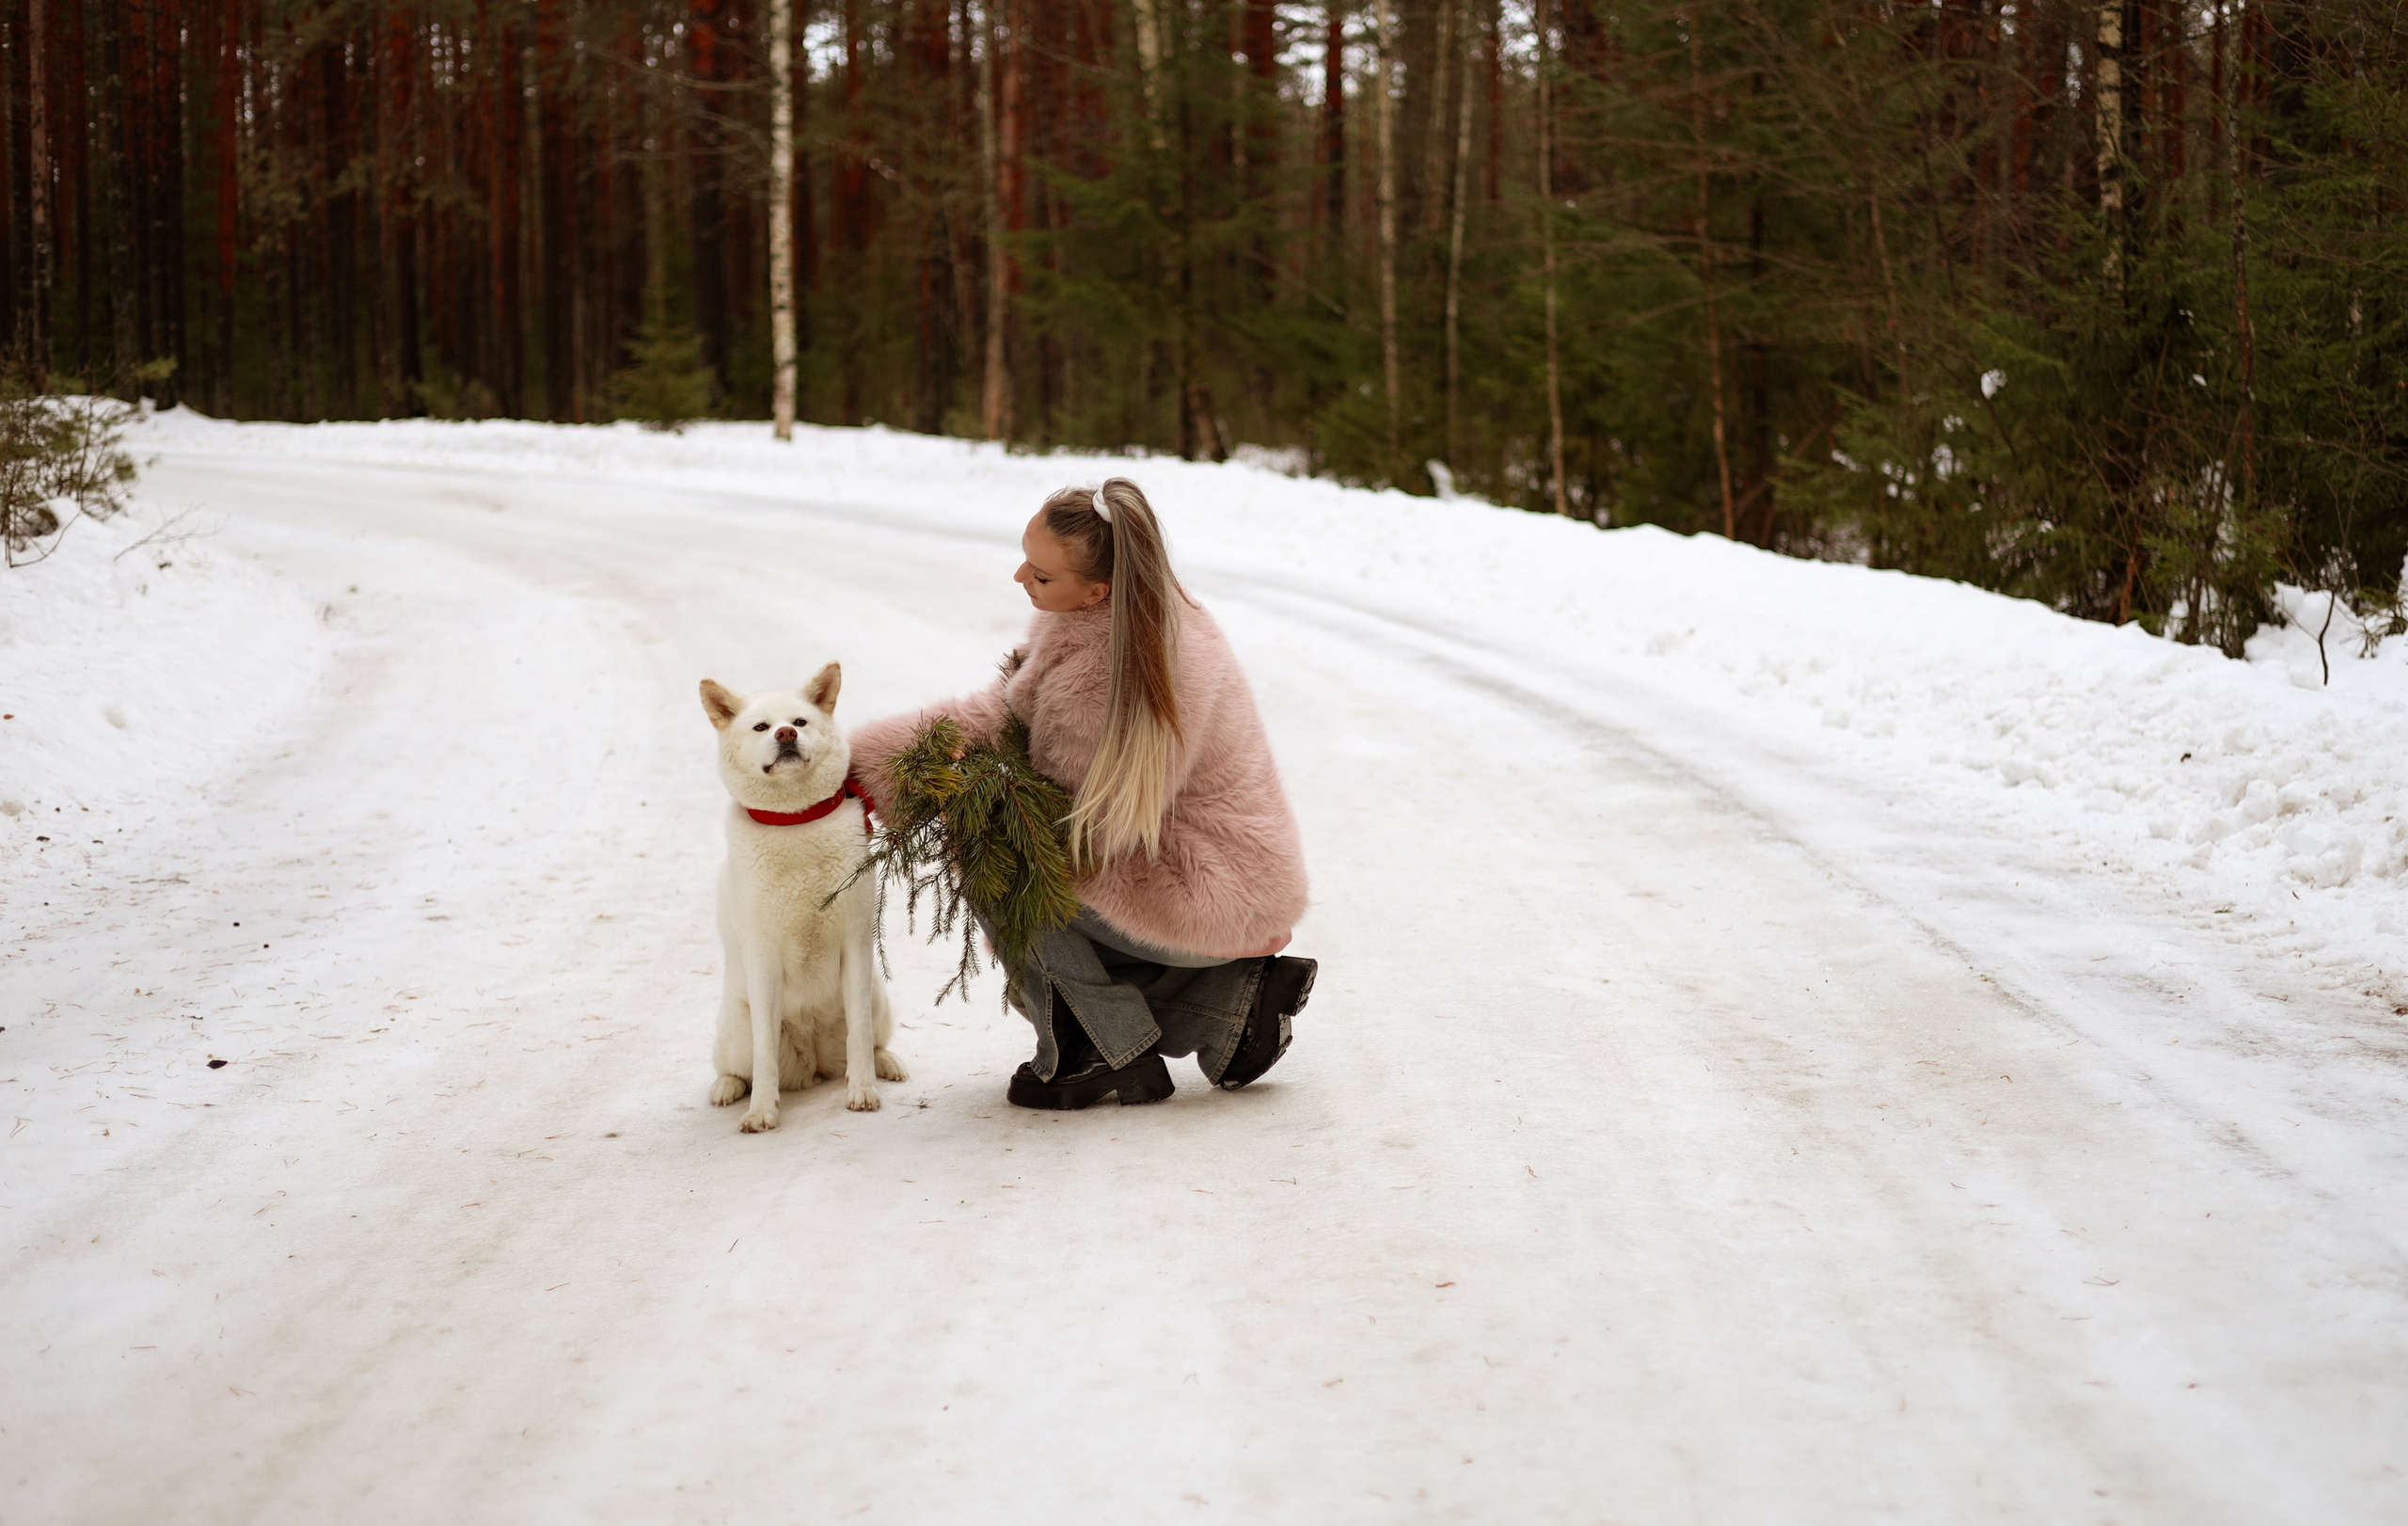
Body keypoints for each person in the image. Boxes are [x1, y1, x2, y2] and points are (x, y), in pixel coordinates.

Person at [847, 477, 1316, 1109]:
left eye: (1040, 576)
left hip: (1210, 884)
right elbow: (1002, 715)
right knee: (1028, 891)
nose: (1020, 578)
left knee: (1003, 851)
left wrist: (960, 797)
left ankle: (1100, 1051)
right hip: (1213, 866)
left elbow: (1065, 833)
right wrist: (877, 763)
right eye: (1025, 558)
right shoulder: (1123, 611)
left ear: (1098, 588)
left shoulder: (1111, 671)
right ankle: (1227, 1010)